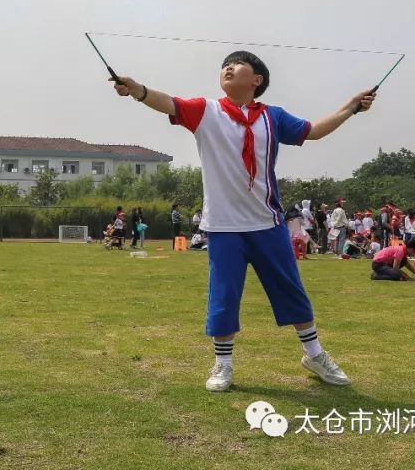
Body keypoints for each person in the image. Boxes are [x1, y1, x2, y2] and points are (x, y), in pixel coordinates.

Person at [110, 49, 376, 391]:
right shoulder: (206, 111)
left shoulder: (273, 117)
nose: (227, 69)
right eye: (224, 66)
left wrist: (352, 107)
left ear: (257, 80)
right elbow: (168, 102)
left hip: (268, 223)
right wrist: (138, 90)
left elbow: (315, 131)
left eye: (236, 65)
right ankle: (223, 364)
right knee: (224, 295)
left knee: (290, 290)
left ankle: (314, 354)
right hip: (223, 227)